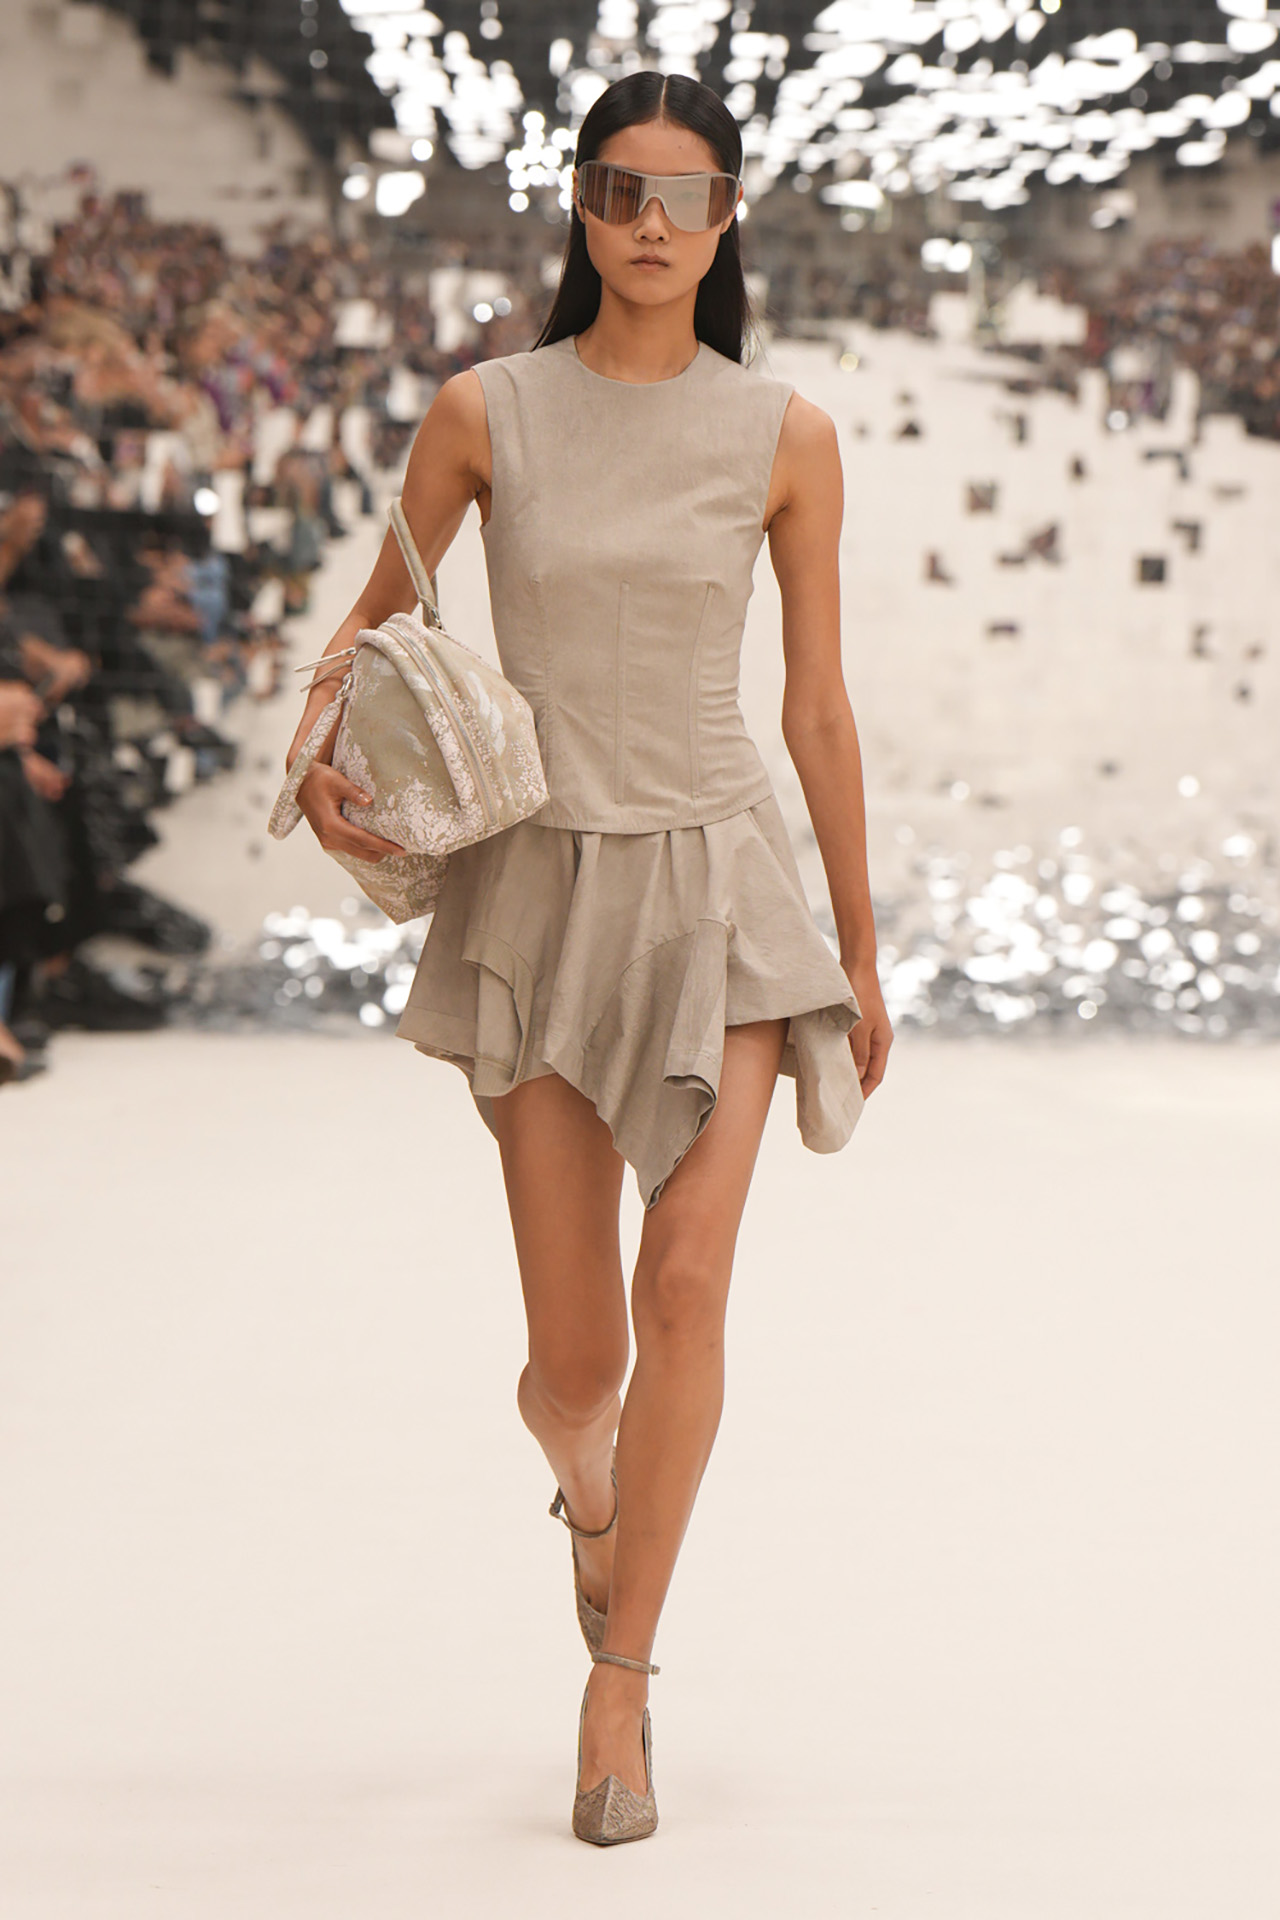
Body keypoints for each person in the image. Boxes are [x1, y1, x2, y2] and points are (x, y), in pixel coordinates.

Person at [284, 71, 892, 1846]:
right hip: (539, 896)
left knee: (685, 1289)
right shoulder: (488, 413)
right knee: (573, 1374)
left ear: (727, 219)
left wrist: (859, 949)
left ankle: (620, 1687)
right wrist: (319, 765)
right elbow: (371, 631)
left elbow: (819, 705)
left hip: (720, 891)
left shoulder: (785, 433)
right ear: (578, 203)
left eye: (684, 195)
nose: (649, 224)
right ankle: (591, 1494)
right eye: (621, 190)